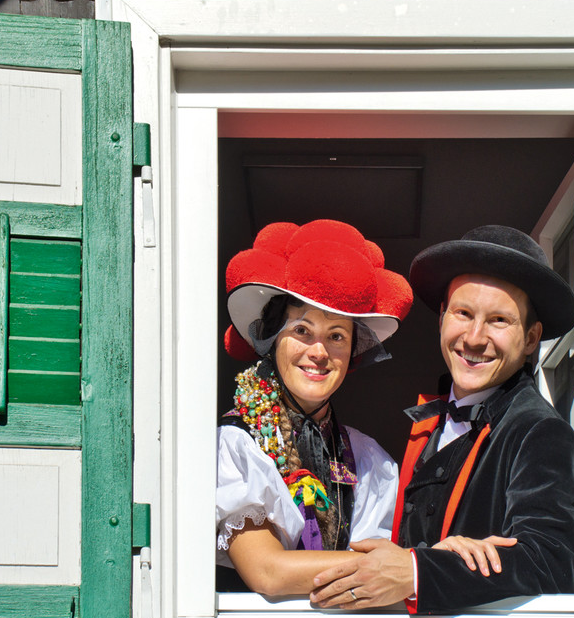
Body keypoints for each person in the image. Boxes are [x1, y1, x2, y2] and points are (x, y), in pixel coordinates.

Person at [217, 220, 509, 597]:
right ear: (273, 341)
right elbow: (268, 573)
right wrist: (422, 564)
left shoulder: (369, 459)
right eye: (302, 331)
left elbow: (383, 570)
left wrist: (417, 566)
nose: (319, 351)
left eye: (337, 336)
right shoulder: (235, 445)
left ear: (351, 353)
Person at [310, 225, 574, 614]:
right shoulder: (432, 419)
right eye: (463, 313)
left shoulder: (540, 431)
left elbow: (556, 561)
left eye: (499, 320)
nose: (474, 337)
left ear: (530, 338)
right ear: (442, 317)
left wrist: (418, 572)